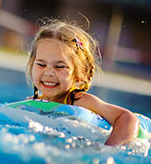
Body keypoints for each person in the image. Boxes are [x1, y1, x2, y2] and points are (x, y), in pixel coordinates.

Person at [25, 18, 140, 146]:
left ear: (80, 73)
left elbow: (127, 118)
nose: (48, 73)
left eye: (60, 66)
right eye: (41, 64)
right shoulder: (33, 102)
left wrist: (108, 150)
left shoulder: (81, 101)